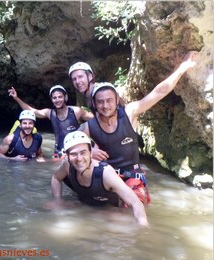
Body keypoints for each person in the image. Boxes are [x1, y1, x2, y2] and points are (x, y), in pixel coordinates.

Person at [79, 51, 197, 203]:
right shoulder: (89, 126)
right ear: (94, 104)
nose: (105, 105)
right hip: (107, 177)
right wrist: (89, 150)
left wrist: (182, 68)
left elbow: (159, 92)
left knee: (133, 208)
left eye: (109, 100)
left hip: (131, 176)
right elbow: (69, 143)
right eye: (100, 102)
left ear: (116, 100)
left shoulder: (129, 112)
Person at [51, 131, 149, 226]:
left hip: (113, 209)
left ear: (90, 152)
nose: (79, 158)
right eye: (73, 154)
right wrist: (57, 200)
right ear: (67, 156)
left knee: (110, 217)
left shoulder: (106, 173)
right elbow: (56, 178)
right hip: (90, 205)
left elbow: (135, 203)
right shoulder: (67, 165)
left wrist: (143, 228)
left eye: (83, 152)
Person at [8, 85, 93, 157]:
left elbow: (96, 119)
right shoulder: (49, 113)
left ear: (65, 97)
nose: (57, 100)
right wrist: (16, 98)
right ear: (51, 99)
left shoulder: (76, 111)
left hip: (76, 149)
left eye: (60, 97)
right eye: (54, 98)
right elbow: (32, 111)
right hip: (59, 151)